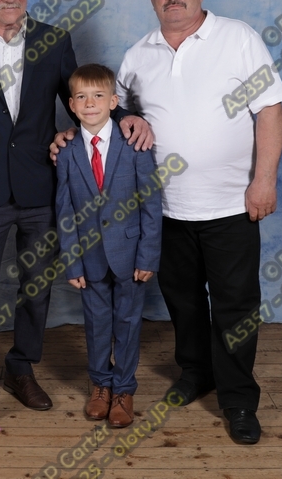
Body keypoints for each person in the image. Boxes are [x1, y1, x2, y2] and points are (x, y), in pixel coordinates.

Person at [0, 0, 152, 444]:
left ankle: (21, 368)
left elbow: (82, 104)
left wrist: (127, 119)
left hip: (41, 186)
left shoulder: (54, 40)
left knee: (35, 288)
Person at [115, 0, 282, 444]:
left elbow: (270, 111)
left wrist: (264, 181)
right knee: (183, 300)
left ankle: (238, 399)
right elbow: (116, 114)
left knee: (236, 306)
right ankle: (196, 372)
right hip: (165, 208)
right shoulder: (138, 55)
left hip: (231, 204)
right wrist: (126, 119)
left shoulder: (238, 38)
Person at [55, 64, 162, 428]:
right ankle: (100, 385)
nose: (90, 103)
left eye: (98, 96)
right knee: (97, 323)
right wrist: (72, 262)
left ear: (114, 102)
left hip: (131, 255)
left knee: (128, 323)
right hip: (90, 258)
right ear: (71, 104)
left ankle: (124, 389)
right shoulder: (67, 151)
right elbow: (64, 211)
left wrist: (148, 256)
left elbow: (151, 204)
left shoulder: (134, 144)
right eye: (82, 97)